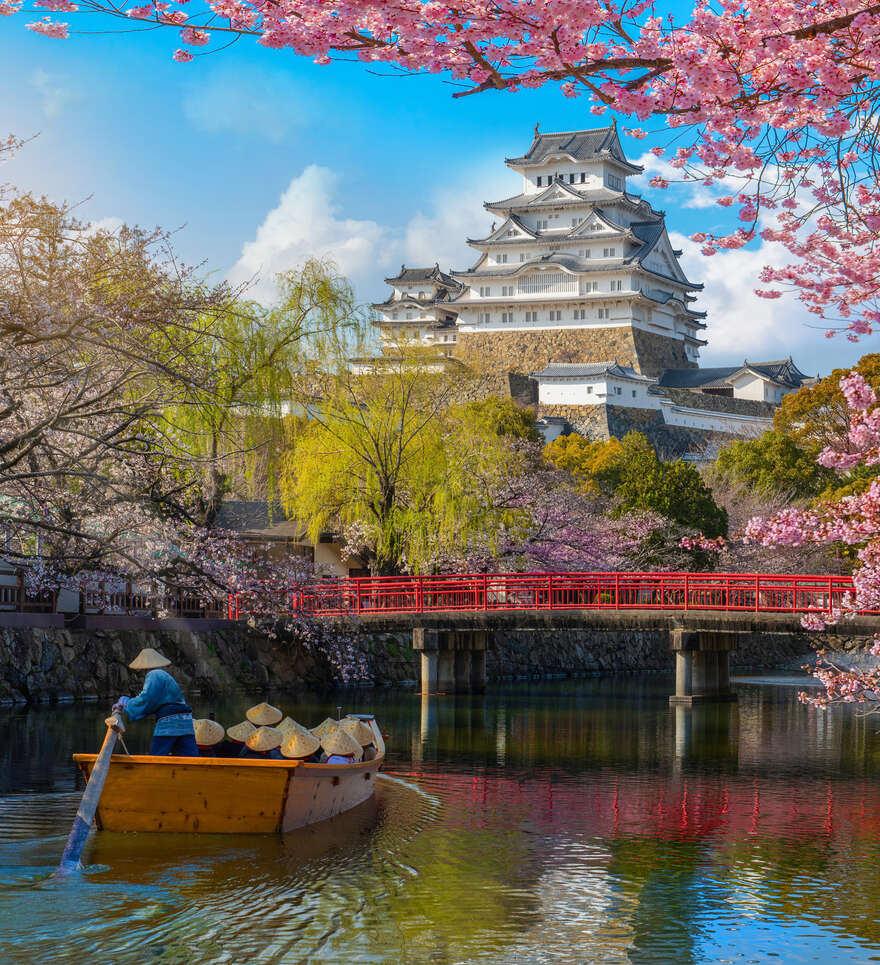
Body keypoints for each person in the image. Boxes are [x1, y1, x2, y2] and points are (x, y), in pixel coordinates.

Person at [113, 648, 198, 756]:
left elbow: (147, 699)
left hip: (169, 722)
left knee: (157, 756)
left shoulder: (154, 674)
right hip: (185, 721)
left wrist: (126, 703)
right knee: (190, 757)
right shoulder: (164, 675)